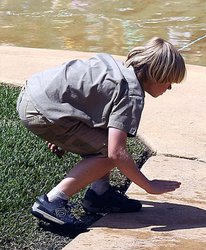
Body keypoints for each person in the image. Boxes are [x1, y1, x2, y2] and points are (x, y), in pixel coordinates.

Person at [16, 37, 184, 229]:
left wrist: (61, 136)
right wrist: (149, 186)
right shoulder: (131, 93)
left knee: (105, 138)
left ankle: (100, 194)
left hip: (33, 95)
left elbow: (82, 95)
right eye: (169, 82)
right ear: (157, 75)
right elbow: (116, 153)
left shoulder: (115, 68)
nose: (169, 87)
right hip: (44, 111)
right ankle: (53, 202)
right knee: (109, 152)